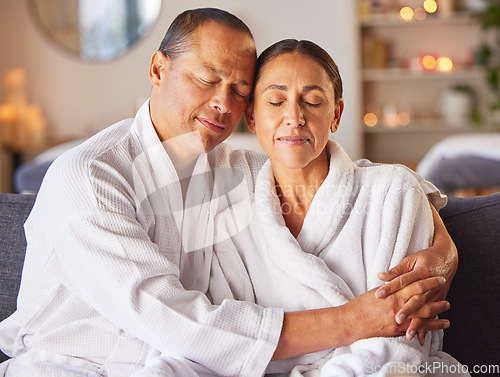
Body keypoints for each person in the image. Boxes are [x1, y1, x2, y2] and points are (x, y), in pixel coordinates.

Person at [0, 8, 456, 377]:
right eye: (207, 79)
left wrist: (440, 244)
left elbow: (342, 172)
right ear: (158, 68)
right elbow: (171, 318)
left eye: (240, 89)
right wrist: (355, 321)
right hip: (74, 366)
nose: (224, 104)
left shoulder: (223, 162)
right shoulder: (90, 179)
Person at [207, 39, 469, 376]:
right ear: (251, 116)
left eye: (313, 102)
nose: (294, 117)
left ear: (336, 115)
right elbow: (230, 338)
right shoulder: (230, 208)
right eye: (275, 101)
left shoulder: (393, 192)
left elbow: (400, 340)